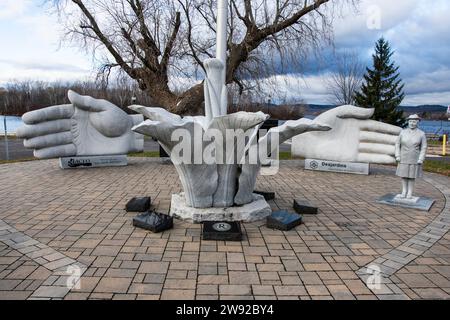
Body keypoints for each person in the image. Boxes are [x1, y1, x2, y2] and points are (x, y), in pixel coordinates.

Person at [395, 114, 427, 200]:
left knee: (411, 176)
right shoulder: (403, 132)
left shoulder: (421, 134)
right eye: (410, 121)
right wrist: (397, 155)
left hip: (414, 158)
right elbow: (397, 144)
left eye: (414, 121)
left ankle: (410, 193)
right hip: (403, 157)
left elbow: (424, 147)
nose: (412, 123)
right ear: (408, 122)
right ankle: (404, 191)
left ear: (417, 122)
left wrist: (421, 158)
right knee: (404, 175)